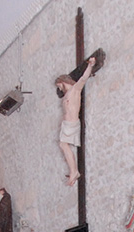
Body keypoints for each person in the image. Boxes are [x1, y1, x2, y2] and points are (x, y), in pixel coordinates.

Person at [56, 55, 96, 186]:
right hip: (66, 123)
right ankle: (73, 170)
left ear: (62, 82)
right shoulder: (67, 95)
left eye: (59, 86)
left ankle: (74, 171)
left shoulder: (75, 90)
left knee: (63, 145)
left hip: (71, 122)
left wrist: (90, 65)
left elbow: (84, 78)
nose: (59, 89)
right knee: (63, 145)